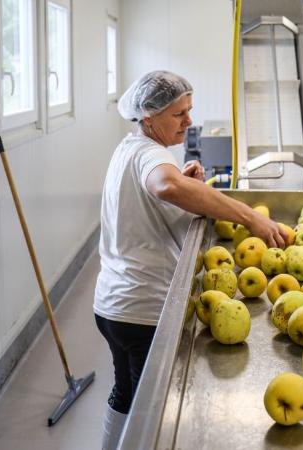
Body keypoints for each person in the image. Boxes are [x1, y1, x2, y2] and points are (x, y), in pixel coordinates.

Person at [93, 71, 288, 449]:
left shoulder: (129, 148)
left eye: (189, 110)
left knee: (125, 392)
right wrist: (250, 217)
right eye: (178, 114)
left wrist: (183, 179)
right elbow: (165, 186)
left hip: (111, 304)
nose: (189, 121)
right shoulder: (151, 153)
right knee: (146, 416)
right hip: (141, 308)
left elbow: (155, 191)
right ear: (149, 116)